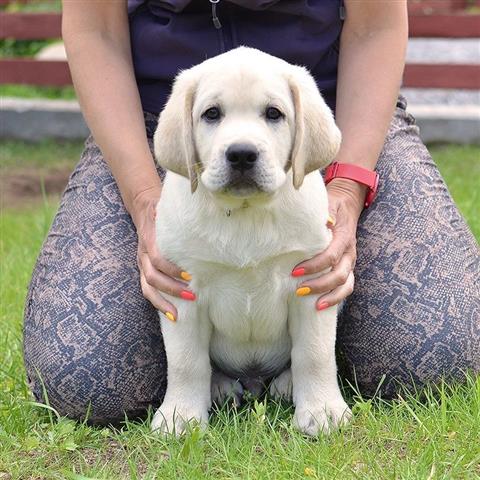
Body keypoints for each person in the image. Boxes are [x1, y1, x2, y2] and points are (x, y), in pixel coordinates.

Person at [23, 0, 479, 424]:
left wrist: (345, 186)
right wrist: (145, 197)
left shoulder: (304, 118)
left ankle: (322, 362)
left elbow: (377, 25)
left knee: (441, 352)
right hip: (164, 117)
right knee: (83, 376)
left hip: (322, 108)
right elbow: (94, 29)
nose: (242, 145)